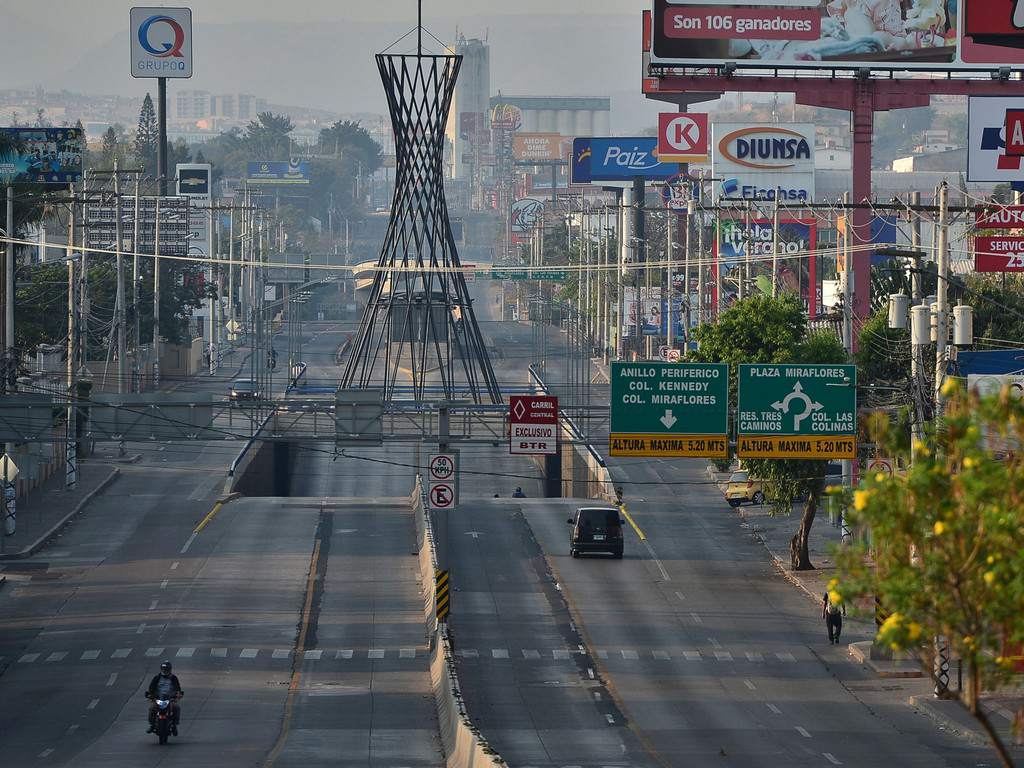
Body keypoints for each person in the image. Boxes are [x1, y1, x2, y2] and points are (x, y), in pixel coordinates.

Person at [146, 660, 183, 734]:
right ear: (161, 669)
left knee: (176, 707)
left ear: (170, 669)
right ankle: (152, 725)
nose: (165, 670)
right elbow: (151, 688)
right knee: (152, 708)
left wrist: (178, 694)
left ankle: (174, 725)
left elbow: (178, 688)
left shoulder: (173, 678)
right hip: (158, 699)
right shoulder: (157, 678)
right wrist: (150, 695)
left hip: (170, 699)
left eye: (166, 669)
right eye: (163, 669)